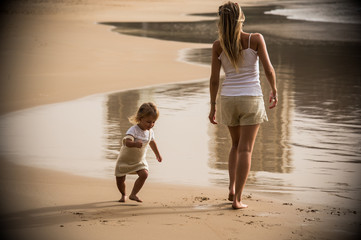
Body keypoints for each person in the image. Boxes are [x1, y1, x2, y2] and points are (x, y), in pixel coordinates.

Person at [208, 1, 278, 209]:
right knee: (246, 149)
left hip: (228, 99)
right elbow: (268, 69)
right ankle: (237, 199)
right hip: (251, 98)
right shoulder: (254, 39)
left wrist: (212, 106)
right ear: (241, 17)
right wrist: (274, 89)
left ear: (222, 21)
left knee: (235, 146)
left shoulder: (218, 45)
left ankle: (231, 189)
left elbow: (213, 80)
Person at [115, 102, 162, 203]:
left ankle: (133, 194)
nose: (151, 125)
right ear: (140, 118)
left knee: (144, 174)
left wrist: (157, 154)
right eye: (148, 122)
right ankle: (123, 194)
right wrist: (135, 144)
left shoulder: (150, 132)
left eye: (154, 122)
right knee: (120, 179)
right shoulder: (133, 130)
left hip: (139, 160)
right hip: (125, 159)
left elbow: (152, 142)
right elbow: (127, 142)